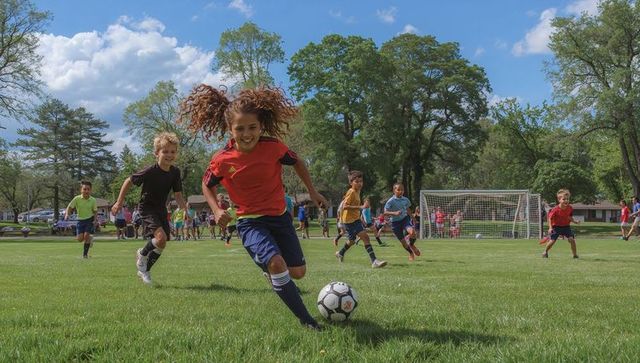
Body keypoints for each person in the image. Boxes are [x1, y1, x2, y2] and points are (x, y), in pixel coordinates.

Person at [181, 84, 328, 331]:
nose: (247, 134)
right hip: (250, 221)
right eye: (240, 129)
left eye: (253, 127)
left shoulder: (274, 147)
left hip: (280, 217)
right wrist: (216, 209)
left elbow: (298, 162)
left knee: (298, 272)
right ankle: (308, 321)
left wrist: (312, 191)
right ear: (230, 130)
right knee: (277, 264)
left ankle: (273, 273)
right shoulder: (222, 160)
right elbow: (207, 185)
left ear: (261, 126)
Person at [112, 132, 187, 284]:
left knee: (163, 243)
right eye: (165, 151)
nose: (169, 155)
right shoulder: (150, 171)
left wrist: (185, 209)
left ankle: (144, 270)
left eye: (172, 152)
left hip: (160, 209)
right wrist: (119, 202)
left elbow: (178, 194)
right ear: (156, 153)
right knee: (160, 238)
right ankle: (142, 253)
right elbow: (128, 181)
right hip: (147, 208)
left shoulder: (175, 172)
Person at [334, 170, 387, 268]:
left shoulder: (357, 192)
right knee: (365, 237)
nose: (359, 184)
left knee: (352, 240)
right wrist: (361, 207)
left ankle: (340, 253)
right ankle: (374, 261)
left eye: (361, 181)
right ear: (351, 183)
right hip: (349, 221)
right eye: (356, 181)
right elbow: (345, 206)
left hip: (355, 219)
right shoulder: (351, 192)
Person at [384, 183, 421, 261]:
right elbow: (385, 212)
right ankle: (411, 253)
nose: (401, 191)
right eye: (398, 190)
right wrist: (394, 213)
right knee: (403, 243)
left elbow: (408, 209)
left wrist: (413, 218)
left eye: (402, 190)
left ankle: (411, 244)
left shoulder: (405, 200)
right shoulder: (391, 201)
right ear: (394, 191)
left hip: (405, 220)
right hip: (395, 223)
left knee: (412, 233)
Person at [542, 189, 580, 259]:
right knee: (552, 241)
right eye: (564, 199)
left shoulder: (570, 208)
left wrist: (575, 222)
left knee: (572, 240)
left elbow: (569, 217)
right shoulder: (555, 209)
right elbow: (550, 219)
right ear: (559, 200)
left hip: (566, 227)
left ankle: (575, 255)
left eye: (567, 199)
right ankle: (545, 252)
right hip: (556, 227)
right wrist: (550, 228)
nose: (566, 200)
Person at [65, 181, 98, 259]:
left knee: (86, 236)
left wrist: (95, 220)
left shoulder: (93, 200)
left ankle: (85, 255)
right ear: (81, 190)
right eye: (84, 189)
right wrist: (67, 214)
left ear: (91, 190)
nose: (86, 191)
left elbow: (95, 211)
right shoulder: (77, 199)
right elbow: (69, 207)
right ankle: (90, 239)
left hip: (89, 219)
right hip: (80, 220)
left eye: (88, 189)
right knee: (80, 239)